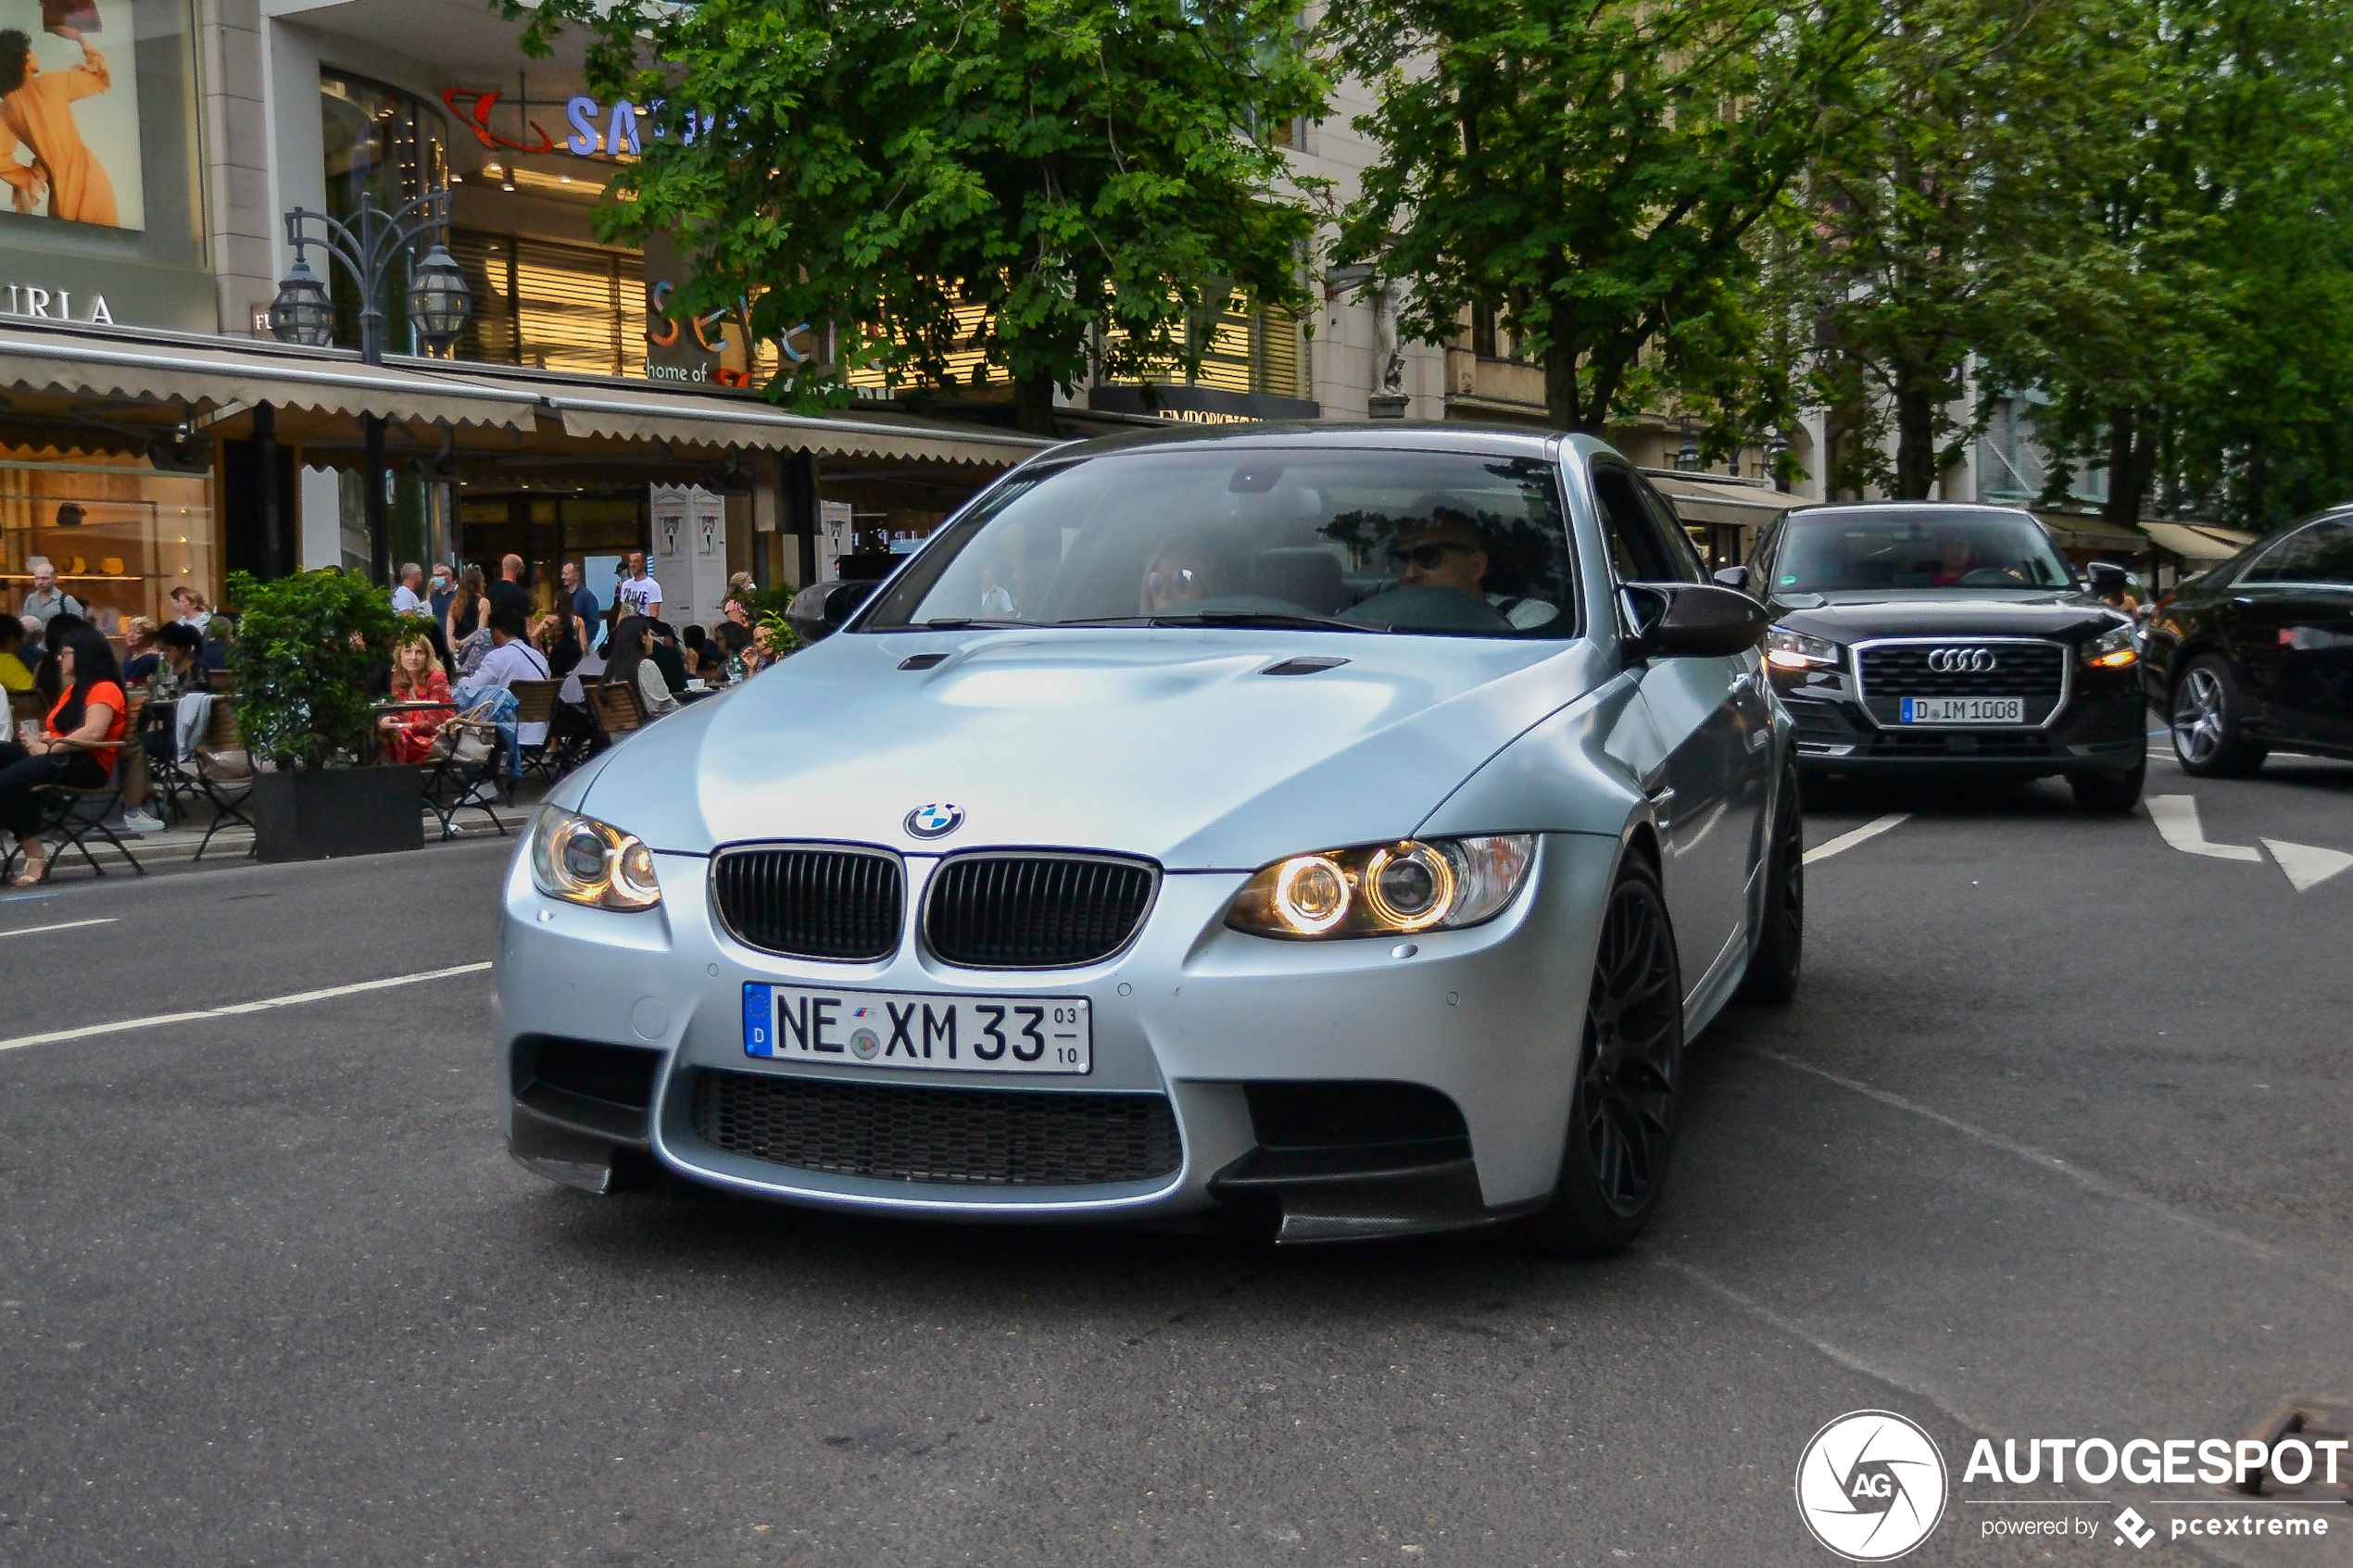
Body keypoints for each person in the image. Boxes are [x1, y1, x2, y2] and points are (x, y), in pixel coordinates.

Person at [0, 623, 124, 884]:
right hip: (61, 755)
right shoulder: (72, 689)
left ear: (84, 655)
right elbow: (59, 729)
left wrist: (52, 746)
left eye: (66, 653)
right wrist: (41, 739)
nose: (59, 658)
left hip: (88, 764)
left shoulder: (105, 688)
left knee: (7, 782)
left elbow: (93, 733)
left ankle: (36, 857)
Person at [0, 26, 120, 226]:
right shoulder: (53, 83)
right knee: (107, 248)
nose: (34, 54)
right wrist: (81, 38)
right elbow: (99, 75)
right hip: (89, 180)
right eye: (30, 50)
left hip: (58, 194)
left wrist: (33, 175)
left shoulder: (6, 110)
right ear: (24, 58)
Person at [1386, 504, 1556, 629]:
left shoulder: (1527, 620)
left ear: (1475, 566)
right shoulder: (1374, 623)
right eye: (1400, 559)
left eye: (1427, 556)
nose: (1409, 573)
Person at [375, 632, 454, 766]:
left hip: (435, 738)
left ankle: (401, 781)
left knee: (396, 736)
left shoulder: (437, 677)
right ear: (399, 656)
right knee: (378, 733)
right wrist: (387, 720)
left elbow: (435, 724)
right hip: (407, 734)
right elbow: (398, 715)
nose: (413, 657)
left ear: (427, 656)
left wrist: (400, 725)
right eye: (407, 651)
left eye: (419, 652)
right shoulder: (398, 679)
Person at [603, 615, 677, 717]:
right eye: (650, 634)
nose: (653, 639)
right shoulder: (645, 666)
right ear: (643, 638)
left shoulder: (614, 667)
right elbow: (663, 705)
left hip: (622, 731)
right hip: (650, 727)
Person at [1142, 544, 1213, 615]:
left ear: (1206, 587)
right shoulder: (1135, 625)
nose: (1165, 593)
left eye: (1182, 581)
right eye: (1155, 583)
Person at [149, 621, 207, 696]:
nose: (163, 655)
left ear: (182, 648)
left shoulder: (197, 671)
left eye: (166, 650)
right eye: (160, 651)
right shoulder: (165, 669)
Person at [19, 557, 80, 625]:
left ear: (55, 579)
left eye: (45, 578)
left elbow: (79, 628)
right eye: (37, 578)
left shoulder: (67, 601)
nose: (40, 582)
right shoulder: (30, 599)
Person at [445, 565, 486, 648]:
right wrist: (464, 642)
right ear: (478, 584)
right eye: (482, 581)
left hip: (457, 650)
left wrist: (453, 648)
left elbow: (449, 633)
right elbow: (481, 630)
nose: (484, 584)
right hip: (475, 650)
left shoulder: (455, 604)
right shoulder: (483, 602)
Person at [559, 560, 599, 646]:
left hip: (581, 645)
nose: (563, 577)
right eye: (563, 574)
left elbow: (594, 623)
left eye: (566, 574)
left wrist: (584, 644)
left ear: (576, 575)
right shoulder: (566, 595)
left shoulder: (586, 596)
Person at [615, 551, 662, 621]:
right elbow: (622, 612)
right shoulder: (626, 585)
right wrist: (618, 629)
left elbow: (654, 615)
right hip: (627, 627)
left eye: (636, 561)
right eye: (630, 561)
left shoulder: (653, 585)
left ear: (644, 563)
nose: (632, 564)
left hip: (643, 627)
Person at [487, 554, 532, 623]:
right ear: (516, 568)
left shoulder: (490, 591)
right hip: (515, 633)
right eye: (522, 568)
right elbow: (530, 626)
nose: (523, 571)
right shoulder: (520, 593)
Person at [118, 615, 157, 682]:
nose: (130, 635)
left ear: (148, 638)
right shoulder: (130, 656)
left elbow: (133, 681)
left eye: (137, 633)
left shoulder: (150, 658)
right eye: (129, 631)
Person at [0, 617, 31, 692]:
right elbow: (33, 693)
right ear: (12, 639)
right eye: (20, 643)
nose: (19, 648)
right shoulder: (5, 661)